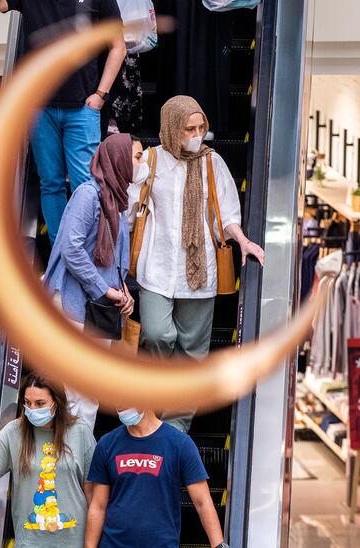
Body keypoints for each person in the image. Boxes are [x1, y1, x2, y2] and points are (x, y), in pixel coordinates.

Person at [127, 95, 265, 433]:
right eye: (190, 128)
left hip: (199, 270)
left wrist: (243, 240)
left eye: (201, 127)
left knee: (192, 354)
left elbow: (228, 212)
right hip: (156, 268)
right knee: (159, 334)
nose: (197, 134)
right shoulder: (152, 160)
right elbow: (131, 207)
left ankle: (175, 430)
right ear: (172, 128)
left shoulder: (212, 162)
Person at [0, 0, 127, 244]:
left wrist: (100, 95)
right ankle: (61, 253)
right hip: (40, 107)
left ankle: (84, 253)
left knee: (85, 186)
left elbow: (118, 47)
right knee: (51, 183)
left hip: (81, 107)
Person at [44, 133, 147, 430]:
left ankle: (78, 466)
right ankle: (77, 469)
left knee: (86, 394)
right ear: (118, 159)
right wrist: (105, 290)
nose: (141, 163)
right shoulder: (89, 195)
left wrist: (123, 292)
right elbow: (71, 249)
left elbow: (115, 260)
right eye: (137, 157)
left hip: (97, 309)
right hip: (76, 306)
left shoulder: (117, 199)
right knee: (81, 394)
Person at [0, 373, 96, 547]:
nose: (33, 409)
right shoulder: (13, 433)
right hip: (29, 542)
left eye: (40, 403)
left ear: (57, 402)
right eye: (28, 403)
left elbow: (91, 492)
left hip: (75, 541)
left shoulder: (79, 432)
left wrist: (92, 541)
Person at [85, 407, 227, 548]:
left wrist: (219, 545)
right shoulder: (106, 444)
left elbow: (202, 502)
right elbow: (98, 506)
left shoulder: (180, 443)